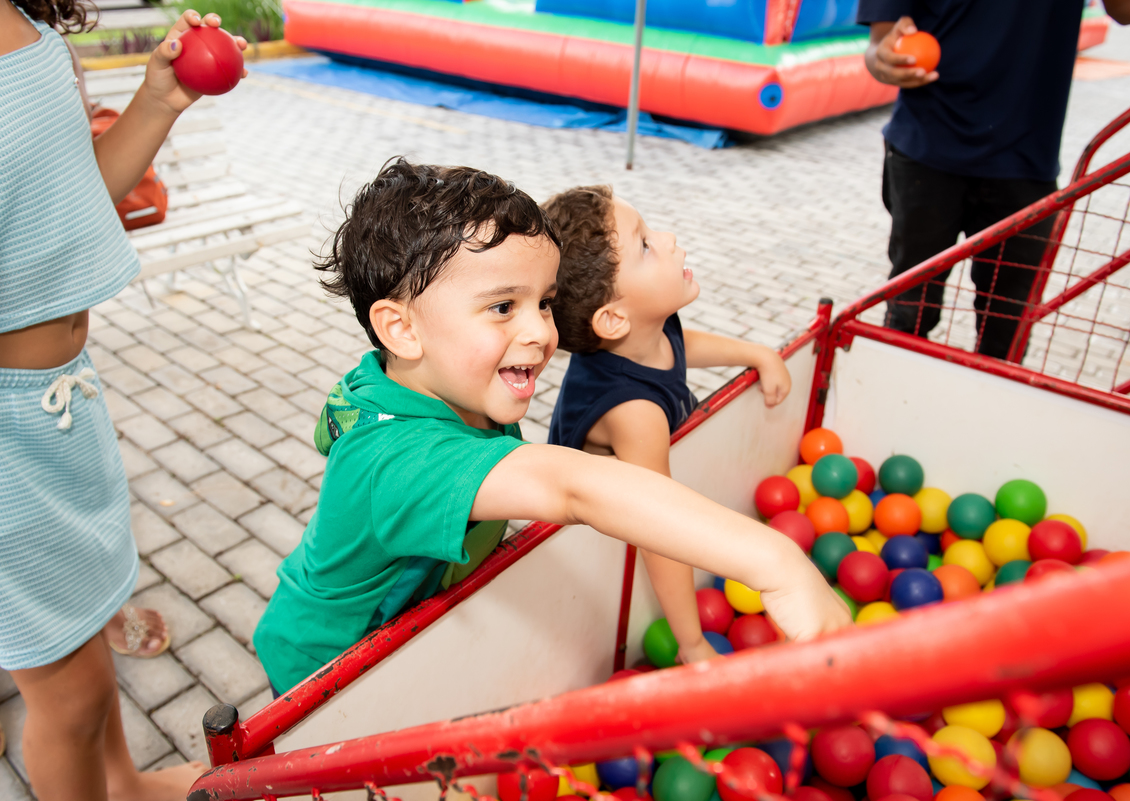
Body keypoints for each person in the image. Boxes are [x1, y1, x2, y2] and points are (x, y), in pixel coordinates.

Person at [252, 158, 851, 694]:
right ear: (402, 330)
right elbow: (572, 486)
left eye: (544, 301)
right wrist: (776, 563)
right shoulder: (398, 461)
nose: (542, 332)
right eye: (502, 306)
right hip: (325, 675)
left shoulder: (430, 379)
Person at [0, 3, 247, 799]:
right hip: (7, 436)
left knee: (84, 636)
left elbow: (72, 200)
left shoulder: (23, 21)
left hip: (61, 403)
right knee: (67, 698)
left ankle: (125, 786)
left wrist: (158, 101)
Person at [859, 0, 1130, 362]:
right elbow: (879, 45)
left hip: (1027, 162)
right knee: (908, 313)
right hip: (926, 150)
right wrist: (885, 61)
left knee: (1006, 334)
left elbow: (1128, 7)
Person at [540, 185, 793, 664]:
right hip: (590, 548)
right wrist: (691, 643)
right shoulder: (635, 415)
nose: (670, 239)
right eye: (645, 245)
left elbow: (679, 347)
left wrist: (757, 353)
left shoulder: (648, 327)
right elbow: (659, 529)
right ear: (613, 319)